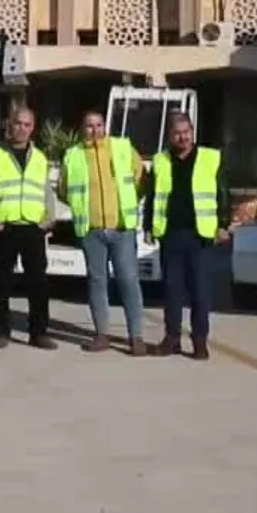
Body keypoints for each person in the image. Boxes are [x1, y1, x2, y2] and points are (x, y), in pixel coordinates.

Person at [61, 110, 148, 356]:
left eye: (99, 125)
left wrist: (129, 203)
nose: (95, 130)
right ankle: (101, 334)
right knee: (97, 282)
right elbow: (64, 189)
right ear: (82, 128)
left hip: (121, 228)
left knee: (129, 280)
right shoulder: (73, 155)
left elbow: (142, 179)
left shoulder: (122, 147)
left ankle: (136, 337)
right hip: (91, 230)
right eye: (89, 126)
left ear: (105, 127)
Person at [145, 111, 224, 360]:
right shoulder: (160, 161)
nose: (183, 137)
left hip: (200, 235)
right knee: (172, 290)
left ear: (193, 133)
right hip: (170, 234)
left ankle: (200, 341)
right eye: (178, 133)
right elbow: (152, 196)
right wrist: (148, 226)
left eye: (187, 132)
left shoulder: (210, 159)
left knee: (201, 291)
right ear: (170, 135)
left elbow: (222, 194)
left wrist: (223, 224)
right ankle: (172, 338)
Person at [0, 106, 57, 350]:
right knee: (1, 282)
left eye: (27, 125)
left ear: (32, 128)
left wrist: (49, 218)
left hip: (32, 228)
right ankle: (1, 332)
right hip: (5, 227)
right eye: (17, 123)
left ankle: (39, 333)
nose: (21, 129)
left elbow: (46, 191)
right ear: (9, 125)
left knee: (39, 282)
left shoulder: (40, 158)